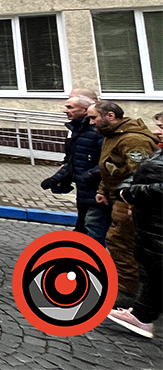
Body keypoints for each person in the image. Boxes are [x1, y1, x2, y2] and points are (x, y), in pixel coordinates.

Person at [89, 99, 157, 307]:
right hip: (118, 196)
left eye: (93, 117)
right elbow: (110, 167)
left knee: (119, 240)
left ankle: (127, 290)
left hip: (129, 199)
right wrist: (103, 190)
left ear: (110, 116)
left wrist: (131, 204)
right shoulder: (113, 135)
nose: (91, 122)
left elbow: (140, 175)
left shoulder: (133, 140)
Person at [106, 142, 163, 338]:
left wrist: (132, 193)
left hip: (157, 223)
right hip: (151, 222)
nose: (158, 132)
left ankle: (141, 315)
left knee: (157, 270)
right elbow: (139, 172)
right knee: (156, 270)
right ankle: (141, 314)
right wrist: (125, 190)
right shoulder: (159, 151)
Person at [41, 91, 104, 239]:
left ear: (85, 109)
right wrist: (58, 178)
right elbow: (74, 160)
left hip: (97, 193)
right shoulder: (78, 129)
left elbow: (107, 162)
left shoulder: (97, 131)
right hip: (84, 191)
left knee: (93, 231)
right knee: (83, 230)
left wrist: (86, 177)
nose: (65, 110)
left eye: (70, 106)